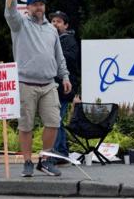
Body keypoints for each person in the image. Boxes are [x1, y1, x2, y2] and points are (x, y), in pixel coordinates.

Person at [4, 0, 72, 177]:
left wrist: (65, 76)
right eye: (34, 4)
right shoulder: (19, 24)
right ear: (28, 7)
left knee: (53, 122)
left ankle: (45, 160)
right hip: (25, 83)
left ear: (44, 7)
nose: (38, 7)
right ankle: (27, 162)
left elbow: (59, 56)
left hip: (49, 83)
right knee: (25, 125)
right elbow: (9, 12)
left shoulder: (52, 30)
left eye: (41, 4)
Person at [48, 11, 80, 163]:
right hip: (53, 86)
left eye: (59, 21)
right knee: (56, 120)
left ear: (66, 25)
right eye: (53, 21)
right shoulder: (51, 39)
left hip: (64, 87)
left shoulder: (69, 40)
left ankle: (59, 153)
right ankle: (62, 151)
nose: (55, 24)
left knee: (56, 120)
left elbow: (69, 59)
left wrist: (53, 54)